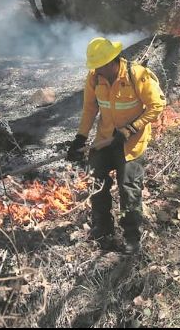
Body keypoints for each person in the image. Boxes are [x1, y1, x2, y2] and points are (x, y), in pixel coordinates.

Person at [66, 37, 166, 254]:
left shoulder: (137, 75)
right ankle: (103, 229)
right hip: (105, 139)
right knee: (96, 181)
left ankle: (132, 236)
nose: (96, 70)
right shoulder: (95, 78)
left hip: (131, 143)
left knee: (128, 188)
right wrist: (80, 138)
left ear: (111, 61)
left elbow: (157, 105)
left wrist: (131, 128)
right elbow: (89, 109)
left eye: (99, 66)